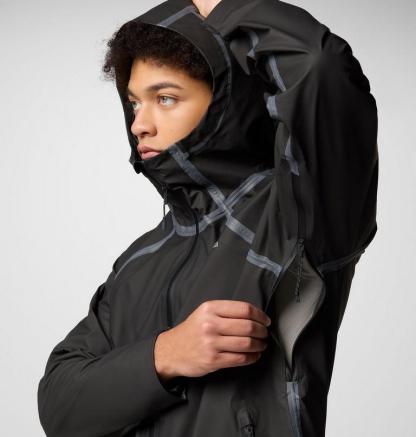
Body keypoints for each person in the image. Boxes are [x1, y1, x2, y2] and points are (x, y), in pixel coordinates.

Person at [37, 1, 379, 436]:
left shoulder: (295, 213)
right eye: (134, 103)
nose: (139, 124)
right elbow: (60, 406)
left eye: (165, 98)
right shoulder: (141, 258)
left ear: (224, 102)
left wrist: (218, 7)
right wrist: (165, 355)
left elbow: (319, 69)